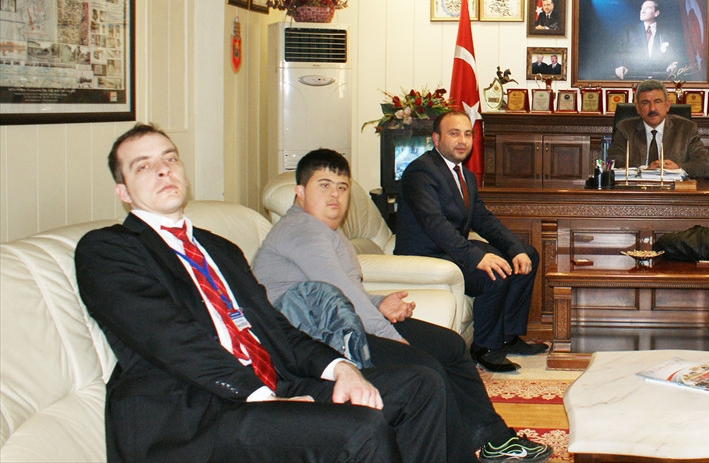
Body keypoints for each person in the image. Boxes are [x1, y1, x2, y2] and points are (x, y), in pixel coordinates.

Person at [74, 123, 447, 463]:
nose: (163, 170)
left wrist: (342, 369)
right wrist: (262, 398)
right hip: (201, 412)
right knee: (361, 430)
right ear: (123, 191)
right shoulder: (108, 250)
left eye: (170, 159)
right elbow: (169, 337)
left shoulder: (219, 249)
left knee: (419, 384)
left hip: (274, 382)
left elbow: (276, 327)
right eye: (143, 166)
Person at [253, 148, 553, 463]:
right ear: (300, 192)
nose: (335, 195)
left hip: (338, 325)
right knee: (426, 367)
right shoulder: (303, 230)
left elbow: (341, 293)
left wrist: (379, 303)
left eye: (342, 187)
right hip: (312, 340)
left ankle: (493, 439)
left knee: (449, 345)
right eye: (324, 185)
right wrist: (391, 336)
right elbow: (343, 294)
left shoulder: (329, 232)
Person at [394, 110, 546, 372]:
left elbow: (483, 220)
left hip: (450, 250)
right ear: (436, 139)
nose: (462, 141)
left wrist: (515, 248)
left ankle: (507, 337)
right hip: (427, 256)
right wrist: (477, 257)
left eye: (467, 134)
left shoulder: (465, 175)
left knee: (527, 254)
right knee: (493, 273)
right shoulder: (421, 171)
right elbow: (435, 224)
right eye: (454, 134)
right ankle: (485, 348)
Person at [609, 79, 709, 178]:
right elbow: (614, 163)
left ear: (667, 105)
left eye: (657, 101)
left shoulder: (687, 129)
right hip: (637, 187)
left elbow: (703, 165)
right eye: (645, 102)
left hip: (674, 188)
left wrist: (678, 168)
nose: (652, 108)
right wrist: (645, 170)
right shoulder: (625, 129)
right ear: (638, 108)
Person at [614, 0, 682, 80]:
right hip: (634, 77)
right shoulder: (630, 31)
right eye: (642, 8)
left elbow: (676, 54)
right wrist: (619, 65)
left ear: (656, 13)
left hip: (661, 78)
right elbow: (618, 51)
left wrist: (672, 64)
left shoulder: (667, 32)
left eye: (648, 8)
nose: (642, 11)